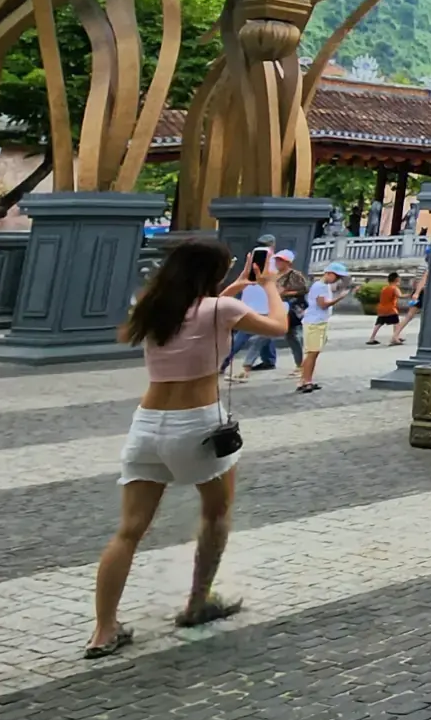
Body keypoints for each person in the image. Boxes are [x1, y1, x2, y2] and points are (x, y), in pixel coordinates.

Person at [86, 237, 288, 657]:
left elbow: (202, 314)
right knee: (216, 512)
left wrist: (235, 286)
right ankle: (198, 601)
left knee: (129, 530)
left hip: (147, 425)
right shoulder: (221, 309)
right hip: (197, 424)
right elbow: (278, 326)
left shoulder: (153, 306)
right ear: (210, 272)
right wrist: (269, 284)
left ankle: (104, 630)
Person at [295, 262, 354, 393]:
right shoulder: (319, 286)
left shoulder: (324, 286)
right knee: (312, 353)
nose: (337, 279)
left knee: (313, 353)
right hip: (314, 322)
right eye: (336, 276)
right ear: (329, 273)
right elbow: (323, 304)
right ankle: (306, 381)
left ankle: (304, 379)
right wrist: (340, 298)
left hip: (319, 321)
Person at [218, 247, 278, 376]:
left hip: (260, 310)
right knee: (241, 341)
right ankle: (225, 364)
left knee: (262, 340)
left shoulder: (271, 277)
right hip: (251, 310)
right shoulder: (266, 279)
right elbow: (280, 327)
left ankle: (268, 361)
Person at [366, 271, 405, 346]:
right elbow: (400, 296)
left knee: (379, 324)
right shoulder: (394, 288)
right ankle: (395, 338)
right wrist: (410, 295)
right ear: (396, 279)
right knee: (396, 323)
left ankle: (372, 338)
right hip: (391, 309)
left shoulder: (385, 288)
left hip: (382, 308)